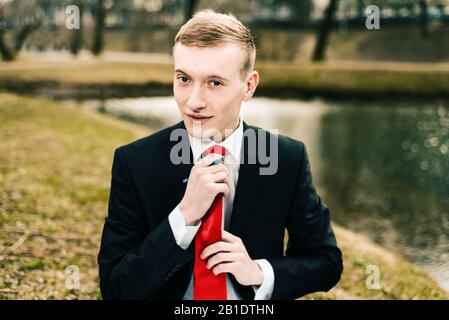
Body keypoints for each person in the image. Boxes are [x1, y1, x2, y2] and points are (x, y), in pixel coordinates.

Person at [98, 9, 343, 300]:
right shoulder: (135, 162)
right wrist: (184, 216)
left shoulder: (286, 159)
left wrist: (258, 272)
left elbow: (326, 261)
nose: (194, 101)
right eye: (184, 79)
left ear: (248, 86)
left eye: (214, 83)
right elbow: (116, 287)